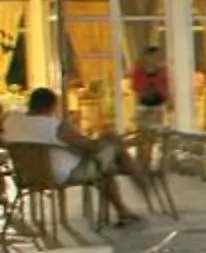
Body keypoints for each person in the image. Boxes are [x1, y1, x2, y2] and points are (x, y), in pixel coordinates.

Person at [6, 89, 141, 229]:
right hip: (62, 174)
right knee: (110, 151)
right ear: (52, 106)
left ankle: (128, 175)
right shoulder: (55, 126)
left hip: (25, 177)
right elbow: (91, 146)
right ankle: (134, 179)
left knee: (105, 160)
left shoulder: (12, 122)